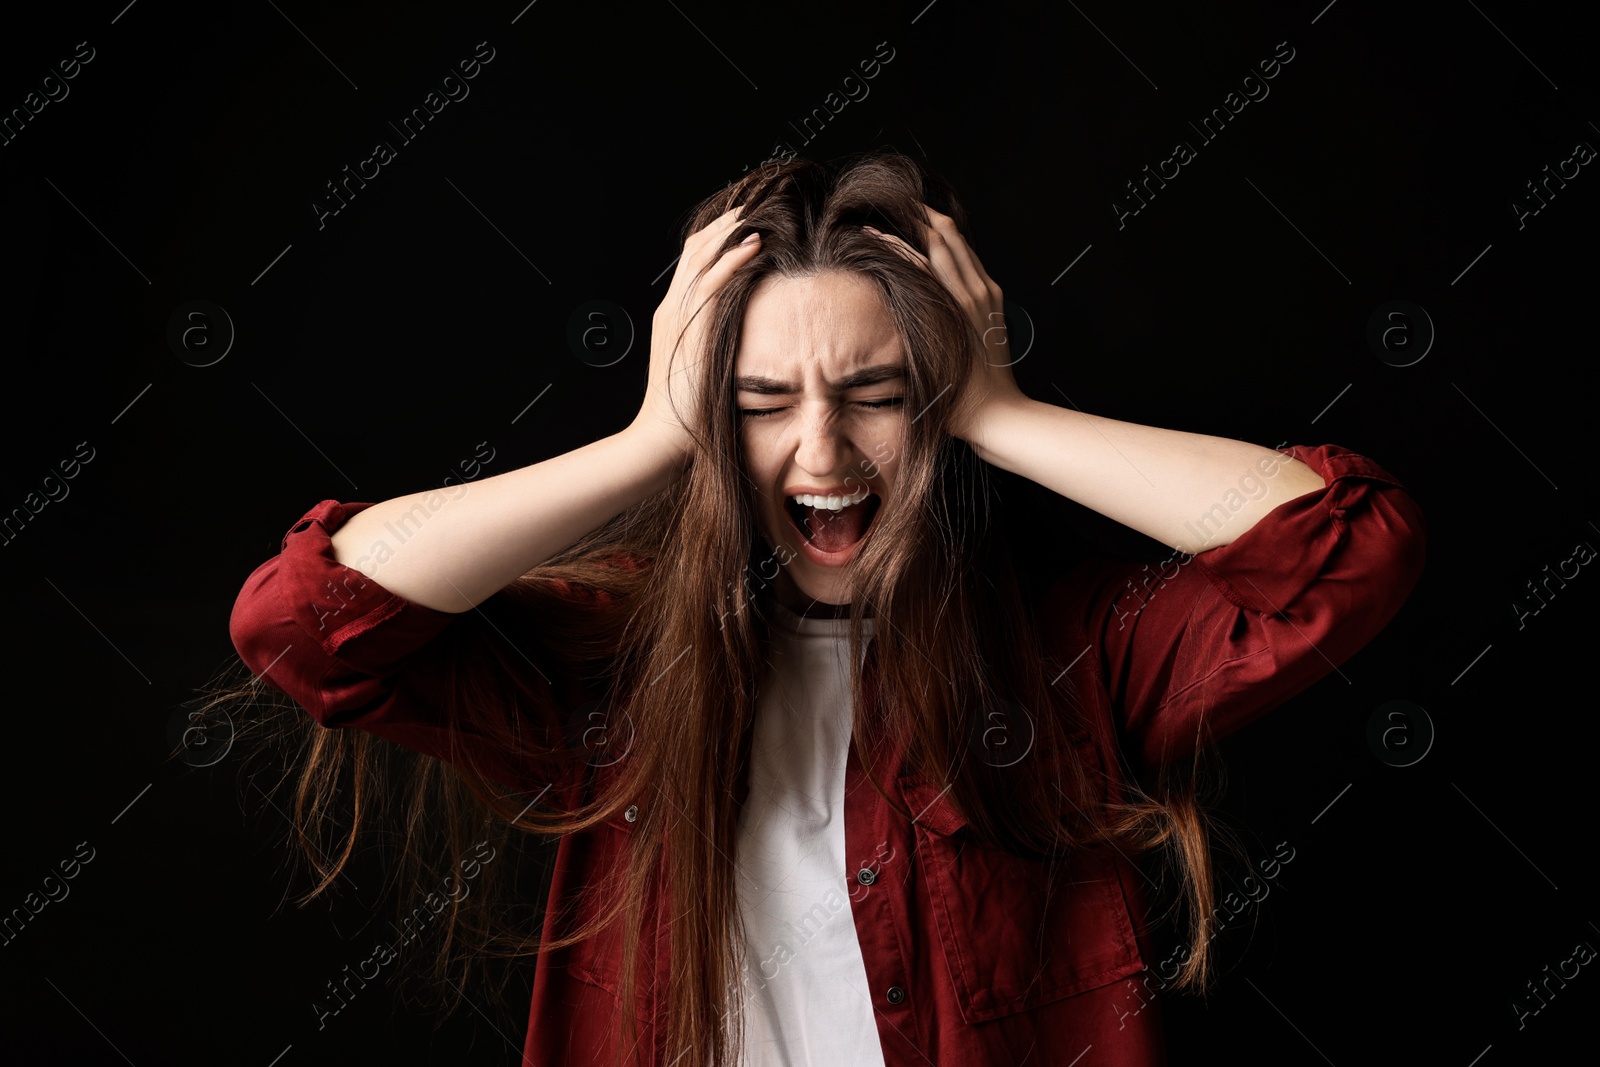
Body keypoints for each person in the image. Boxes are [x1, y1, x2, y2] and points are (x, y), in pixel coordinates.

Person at [225, 150, 1426, 1066]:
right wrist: (649, 438)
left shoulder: (1069, 657)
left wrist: (998, 412)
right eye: (756, 402)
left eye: (880, 391)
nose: (821, 449)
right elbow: (299, 622)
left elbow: (1348, 548)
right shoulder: (608, 665)